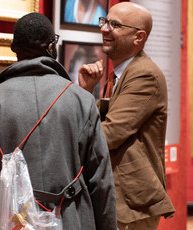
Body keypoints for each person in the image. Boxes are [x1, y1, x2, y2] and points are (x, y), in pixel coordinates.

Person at [0, 12, 117, 229]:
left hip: (12, 222)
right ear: (52, 47)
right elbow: (101, 183)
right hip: (72, 220)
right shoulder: (82, 102)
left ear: (14, 48)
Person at [78, 2, 175, 229]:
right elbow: (99, 124)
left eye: (115, 25)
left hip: (131, 203)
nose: (104, 29)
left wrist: (67, 137)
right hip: (118, 197)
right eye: (105, 22)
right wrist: (85, 92)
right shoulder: (120, 74)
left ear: (138, 37)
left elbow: (110, 134)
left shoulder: (144, 74)